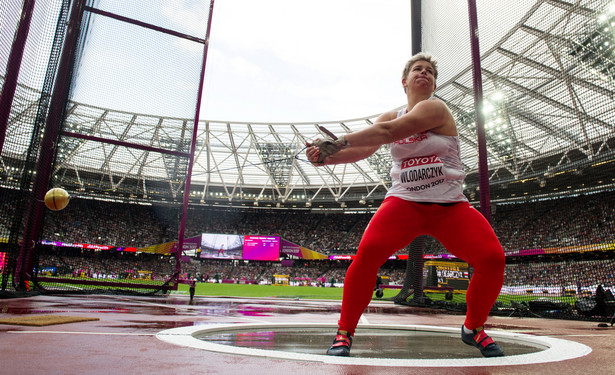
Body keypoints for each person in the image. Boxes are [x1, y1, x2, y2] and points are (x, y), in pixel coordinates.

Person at [306, 53, 506, 358]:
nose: (424, 73)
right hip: (404, 202)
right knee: (367, 255)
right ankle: (344, 332)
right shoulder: (389, 115)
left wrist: (339, 140)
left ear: (434, 83)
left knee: (492, 258)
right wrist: (326, 158)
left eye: (429, 71)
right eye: (417, 69)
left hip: (449, 206)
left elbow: (389, 134)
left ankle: (473, 328)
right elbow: (366, 149)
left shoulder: (435, 108)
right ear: (405, 81)